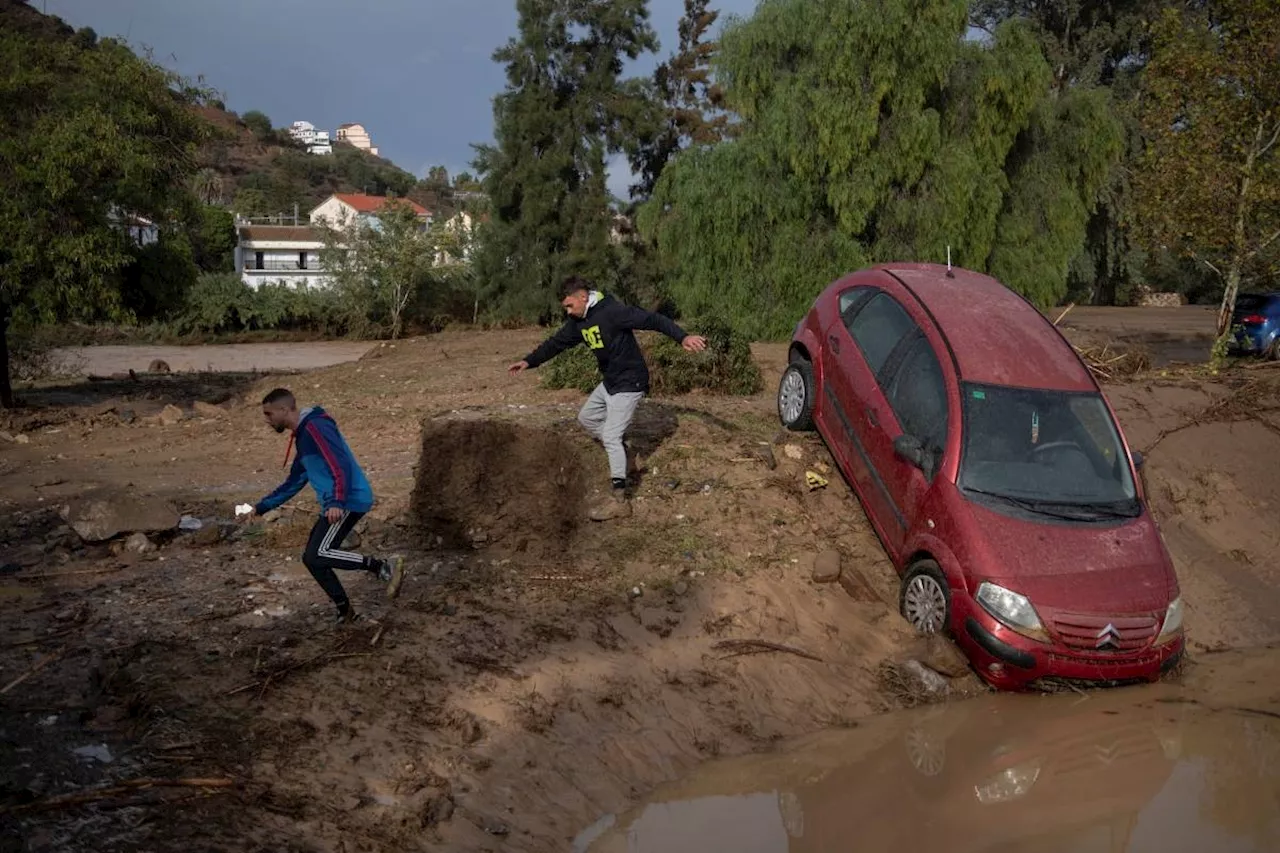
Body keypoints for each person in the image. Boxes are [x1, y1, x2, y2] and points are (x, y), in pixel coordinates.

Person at [508, 276, 707, 521]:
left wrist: (682, 337)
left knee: (611, 436)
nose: (568, 311)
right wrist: (529, 361)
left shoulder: (613, 312)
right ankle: (627, 457)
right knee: (587, 418)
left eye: (570, 305)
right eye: (565, 308)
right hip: (611, 381)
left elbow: (652, 319)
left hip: (630, 381)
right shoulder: (578, 321)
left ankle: (619, 500)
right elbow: (556, 343)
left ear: (583, 296)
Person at [243, 388, 404, 625]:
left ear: (283, 410)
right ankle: (345, 611)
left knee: (318, 553)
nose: (267, 420)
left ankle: (382, 566)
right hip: (336, 502)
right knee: (313, 558)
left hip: (348, 500)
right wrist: (260, 508)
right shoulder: (303, 436)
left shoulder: (316, 427)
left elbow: (339, 463)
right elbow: (294, 482)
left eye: (268, 414)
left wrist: (337, 500)